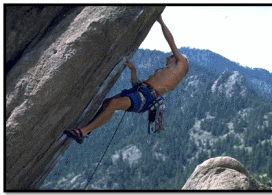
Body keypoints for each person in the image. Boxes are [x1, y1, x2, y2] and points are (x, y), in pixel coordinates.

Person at [64, 15, 189, 144]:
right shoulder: (163, 71)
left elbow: (170, 40)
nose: (167, 57)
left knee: (113, 104)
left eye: (170, 56)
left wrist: (160, 21)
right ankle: (87, 129)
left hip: (146, 97)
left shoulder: (182, 64)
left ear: (176, 58)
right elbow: (136, 84)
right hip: (140, 92)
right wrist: (133, 70)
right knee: (108, 102)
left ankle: (83, 132)